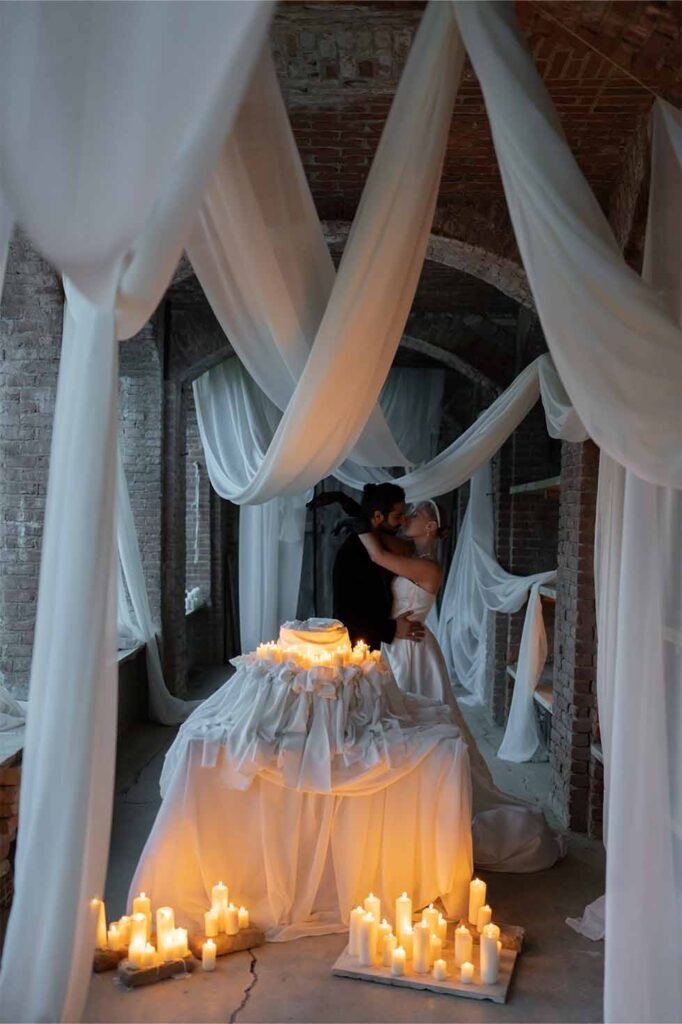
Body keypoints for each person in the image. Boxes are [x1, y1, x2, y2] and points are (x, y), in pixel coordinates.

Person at [326, 483, 426, 651]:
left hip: (389, 645)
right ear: (379, 516)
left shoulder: (385, 544)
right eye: (398, 516)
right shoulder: (353, 551)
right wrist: (391, 629)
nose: (403, 521)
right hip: (359, 647)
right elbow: (346, 611)